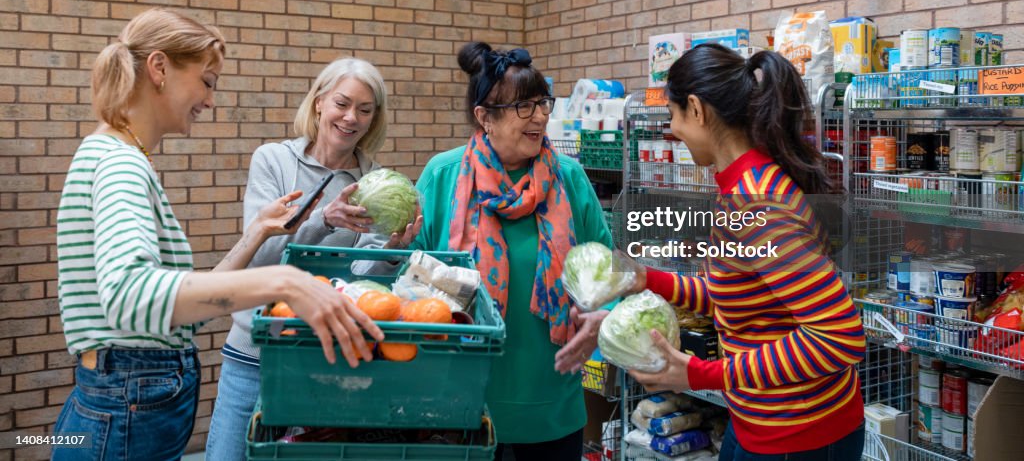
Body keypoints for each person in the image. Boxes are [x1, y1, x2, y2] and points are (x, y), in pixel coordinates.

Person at [53, 9, 384, 461]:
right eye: (207, 81)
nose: (210, 100)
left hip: (110, 401)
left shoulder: (111, 153)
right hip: (125, 403)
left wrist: (255, 238)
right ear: (159, 69)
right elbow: (131, 294)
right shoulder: (120, 165)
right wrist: (284, 282)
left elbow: (180, 314)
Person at [629, 43, 866, 460]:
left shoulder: (757, 202)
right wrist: (648, 279)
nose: (673, 130)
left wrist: (701, 373)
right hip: (761, 422)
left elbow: (838, 337)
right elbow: (741, 293)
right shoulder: (739, 187)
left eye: (674, 114)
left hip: (802, 435)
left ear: (697, 110)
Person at [206, 57, 422, 461]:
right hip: (258, 353)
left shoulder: (374, 183)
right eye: (342, 103)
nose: (351, 117)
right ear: (319, 101)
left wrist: (392, 253)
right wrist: (323, 219)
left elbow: (360, 281)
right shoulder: (274, 161)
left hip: (326, 357)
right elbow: (259, 257)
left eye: (364, 109)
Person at [410, 42, 613, 461]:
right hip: (460, 406)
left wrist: (605, 314)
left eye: (543, 103)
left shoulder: (569, 179)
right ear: (485, 117)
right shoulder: (444, 177)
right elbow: (407, 283)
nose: (540, 115)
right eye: (524, 106)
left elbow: (610, 272)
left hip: (552, 405)